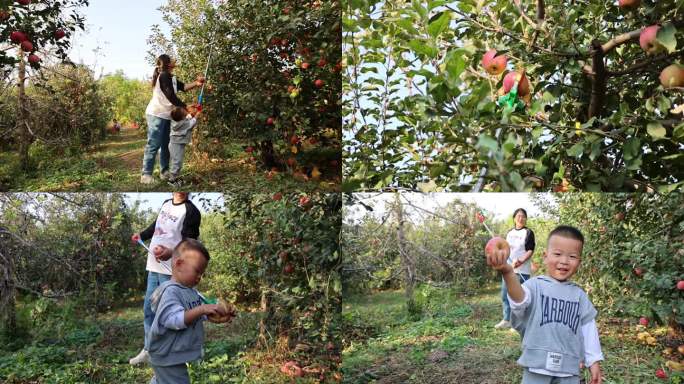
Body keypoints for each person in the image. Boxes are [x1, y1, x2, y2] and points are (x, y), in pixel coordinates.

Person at [486, 225, 603, 384]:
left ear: (579, 262)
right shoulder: (535, 286)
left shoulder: (580, 296)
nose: (564, 261)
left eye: (572, 256)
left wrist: (594, 361)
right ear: (545, 256)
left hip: (569, 370)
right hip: (536, 365)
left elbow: (589, 329)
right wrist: (508, 272)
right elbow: (519, 301)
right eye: (557, 254)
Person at [129, 192, 202, 365]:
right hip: (154, 267)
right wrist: (142, 235)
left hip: (171, 271)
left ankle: (182, 352)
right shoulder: (166, 204)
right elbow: (157, 226)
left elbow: (189, 244)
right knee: (149, 310)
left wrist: (172, 253)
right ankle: (149, 350)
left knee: (172, 314)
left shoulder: (191, 211)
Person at [146, 239, 232, 384]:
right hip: (166, 354)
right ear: (179, 264)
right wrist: (202, 309)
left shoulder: (191, 292)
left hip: (171, 354)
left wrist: (217, 313)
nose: (200, 277)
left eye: (202, 273)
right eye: (197, 271)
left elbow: (199, 312)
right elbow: (175, 320)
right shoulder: (170, 292)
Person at [141, 54, 205, 184]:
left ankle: (164, 172)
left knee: (165, 145)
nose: (174, 60)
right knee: (154, 144)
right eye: (171, 59)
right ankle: (146, 175)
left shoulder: (172, 77)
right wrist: (186, 107)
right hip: (156, 114)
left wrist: (197, 83)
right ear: (168, 64)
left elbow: (184, 87)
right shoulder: (163, 75)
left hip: (166, 114)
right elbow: (170, 95)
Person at [495, 208, 536, 330]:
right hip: (509, 269)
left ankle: (518, 322)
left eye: (523, 216)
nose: (521, 218)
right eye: (518, 216)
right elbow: (506, 249)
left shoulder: (528, 232)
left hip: (522, 269)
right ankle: (507, 319)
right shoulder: (509, 233)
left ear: (526, 219)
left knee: (519, 297)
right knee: (505, 294)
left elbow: (530, 250)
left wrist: (520, 261)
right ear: (514, 218)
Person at [168, 105, 200, 186]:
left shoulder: (180, 120)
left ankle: (176, 177)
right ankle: (172, 180)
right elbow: (190, 123)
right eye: (184, 111)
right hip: (175, 145)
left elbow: (188, 118)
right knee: (177, 161)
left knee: (179, 161)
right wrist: (196, 116)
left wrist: (194, 111)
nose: (186, 110)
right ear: (182, 117)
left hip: (179, 144)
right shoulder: (178, 125)